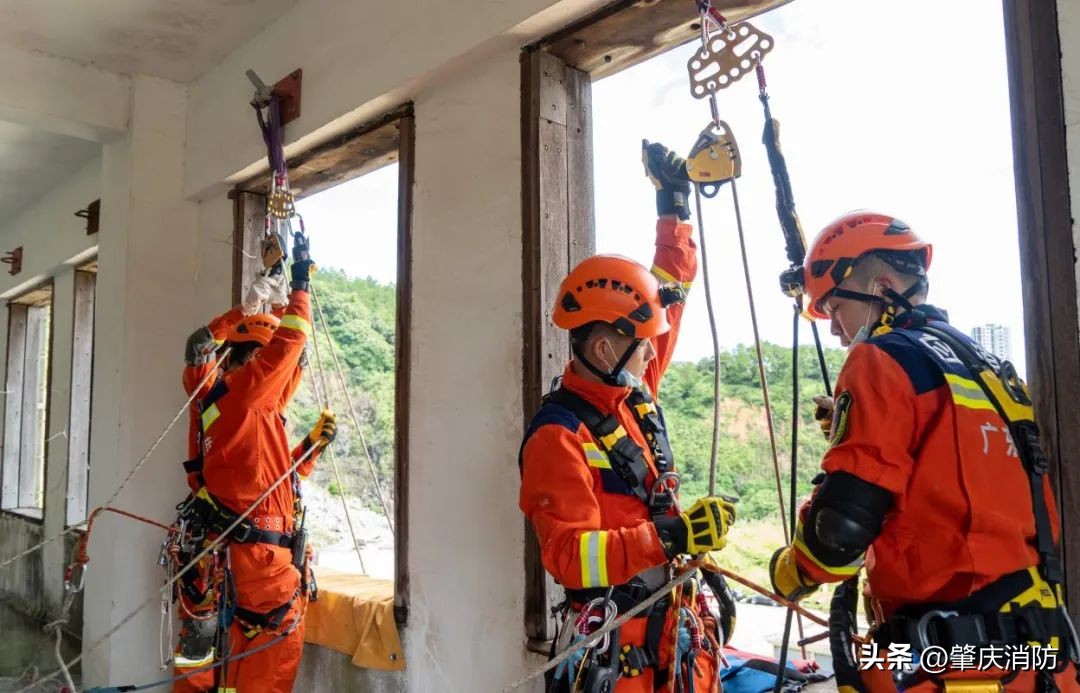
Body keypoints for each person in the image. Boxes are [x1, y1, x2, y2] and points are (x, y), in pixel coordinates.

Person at [769, 211, 1079, 692]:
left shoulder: (880, 358)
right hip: (1039, 660)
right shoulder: (991, 368)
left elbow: (839, 535)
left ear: (880, 288)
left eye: (834, 308)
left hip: (951, 665)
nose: (834, 329)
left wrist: (792, 571)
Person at [519, 141, 737, 692]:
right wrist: (672, 535)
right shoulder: (557, 437)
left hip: (672, 631)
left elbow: (671, 298)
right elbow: (570, 557)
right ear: (602, 350)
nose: (652, 356)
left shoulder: (631, 395)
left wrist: (674, 209)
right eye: (643, 346)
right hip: (620, 649)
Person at [172, 238, 336, 692]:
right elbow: (292, 343)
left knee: (209, 673)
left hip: (215, 558)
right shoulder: (249, 393)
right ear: (254, 359)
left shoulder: (209, 397)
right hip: (260, 567)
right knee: (267, 666)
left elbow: (197, 345)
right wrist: (299, 283)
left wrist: (309, 448)